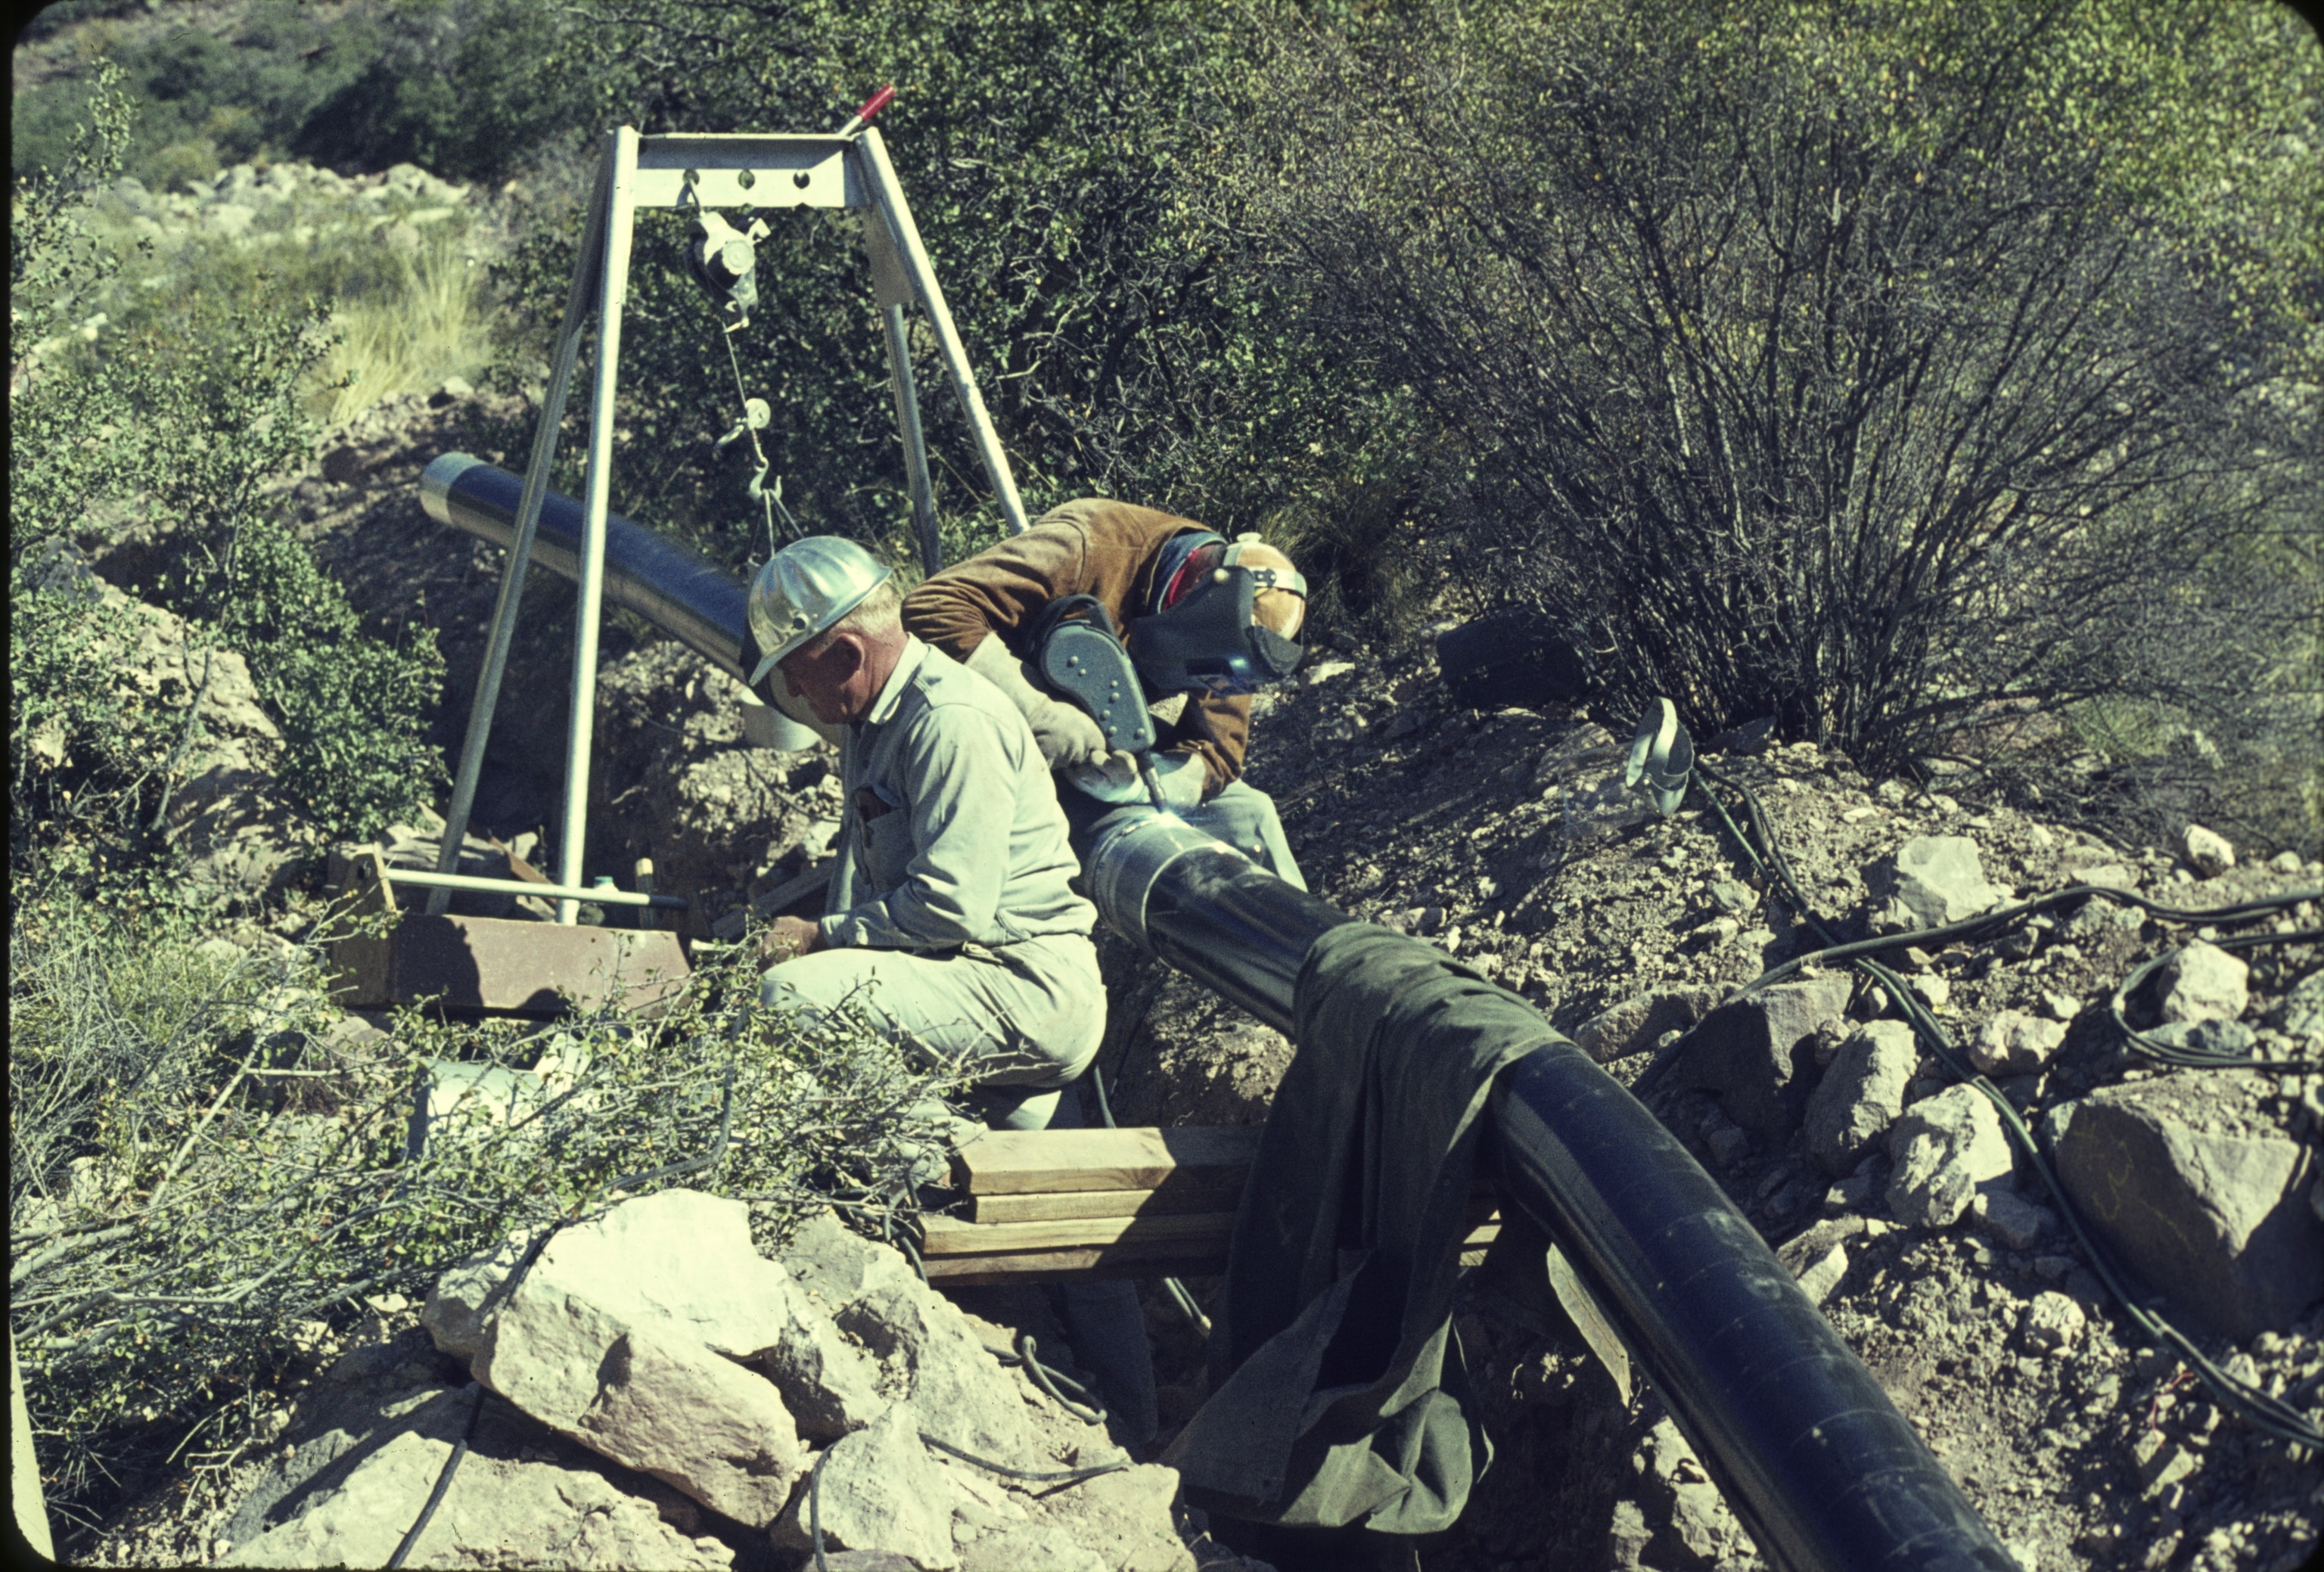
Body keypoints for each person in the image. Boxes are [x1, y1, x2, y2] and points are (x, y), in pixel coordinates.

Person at [745, 535, 1157, 1440]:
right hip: (979, 990)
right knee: (1078, 1225)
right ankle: (1139, 1426)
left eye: (801, 676)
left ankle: (917, 1173)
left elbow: (946, 908)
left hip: (1018, 987)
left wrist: (822, 936)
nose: (799, 699)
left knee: (795, 1001)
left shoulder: (946, 718)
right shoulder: (876, 719)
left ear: (845, 652)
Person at [899, 497, 1310, 887]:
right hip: (984, 736)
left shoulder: (1235, 642)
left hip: (1101, 757)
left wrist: (1136, 786)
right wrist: (1040, 712)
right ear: (1197, 596)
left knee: (1250, 814)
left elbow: (1217, 752)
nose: (1217, 687)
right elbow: (932, 607)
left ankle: (1314, 951)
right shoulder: (1091, 545)